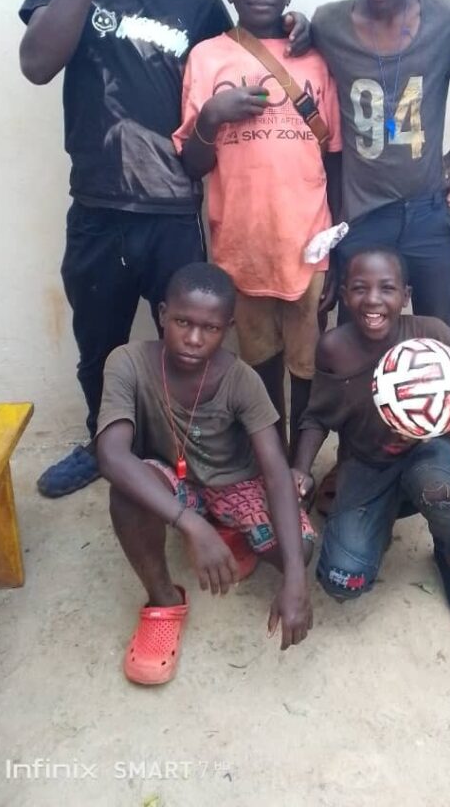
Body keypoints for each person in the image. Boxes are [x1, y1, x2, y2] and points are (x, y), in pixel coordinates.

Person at [19, 0, 308, 498]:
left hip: (178, 210)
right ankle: (103, 441)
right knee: (100, 344)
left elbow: (250, 47)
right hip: (98, 207)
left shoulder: (199, 1)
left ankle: (186, 453)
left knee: (194, 344)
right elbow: (37, 64)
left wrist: (301, 25)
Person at [96, 262, 314, 685]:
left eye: (209, 328)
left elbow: (274, 473)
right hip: (178, 486)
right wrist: (192, 525)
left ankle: (228, 531)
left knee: (299, 550)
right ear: (162, 314)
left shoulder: (241, 381)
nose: (194, 338)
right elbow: (111, 456)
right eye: (182, 322)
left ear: (228, 328)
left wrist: (295, 579)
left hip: (236, 483)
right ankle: (163, 601)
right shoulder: (128, 363)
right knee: (127, 490)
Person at [173, 0, 342, 456]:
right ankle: (268, 454)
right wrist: (213, 116)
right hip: (241, 248)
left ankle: (302, 462)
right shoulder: (207, 58)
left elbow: (333, 154)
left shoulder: (315, 58)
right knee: (259, 361)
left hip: (307, 245)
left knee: (308, 362)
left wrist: (338, 247)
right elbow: (193, 163)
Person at [292, 248, 450, 623]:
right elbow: (317, 416)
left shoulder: (431, 334)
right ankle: (376, 522)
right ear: (344, 294)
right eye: (359, 288)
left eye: (387, 288)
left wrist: (421, 419)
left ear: (405, 294)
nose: (372, 299)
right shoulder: (335, 347)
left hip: (427, 454)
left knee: (438, 489)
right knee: (342, 579)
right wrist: (301, 469)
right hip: (366, 463)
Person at [311, 0, 450, 335]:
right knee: (358, 340)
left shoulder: (445, 18)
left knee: (439, 335)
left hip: (428, 213)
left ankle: (438, 407)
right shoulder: (328, 24)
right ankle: (359, 410)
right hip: (362, 218)